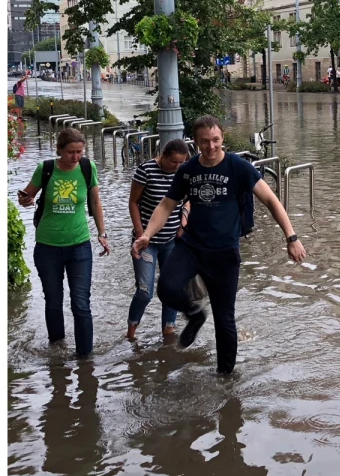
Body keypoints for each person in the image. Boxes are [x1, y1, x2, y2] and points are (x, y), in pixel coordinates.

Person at [133, 115, 307, 374]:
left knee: (225, 319)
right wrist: (147, 234)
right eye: (204, 142)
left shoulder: (238, 167)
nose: (211, 147)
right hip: (192, 247)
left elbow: (271, 200)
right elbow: (167, 204)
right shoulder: (188, 170)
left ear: (222, 137)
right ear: (196, 142)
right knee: (166, 288)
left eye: (215, 140)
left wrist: (291, 237)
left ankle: (225, 379)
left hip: (224, 253)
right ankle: (194, 315)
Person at [16, 128, 111, 358]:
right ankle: (57, 350)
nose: (76, 157)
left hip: (79, 246)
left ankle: (85, 358)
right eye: (71, 152)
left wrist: (102, 233)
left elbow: (96, 201)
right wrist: (26, 200)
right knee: (53, 301)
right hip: (47, 246)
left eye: (79, 152)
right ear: (59, 150)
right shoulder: (46, 169)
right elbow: (25, 196)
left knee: (80, 302)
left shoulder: (88, 168)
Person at [127, 138, 191, 341]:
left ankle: (168, 333)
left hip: (172, 242)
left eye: (181, 163)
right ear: (163, 157)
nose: (177, 167)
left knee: (171, 288)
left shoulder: (184, 173)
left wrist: (183, 221)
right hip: (147, 243)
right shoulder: (146, 170)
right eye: (174, 162)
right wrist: (140, 233)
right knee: (145, 291)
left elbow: (188, 201)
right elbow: (134, 202)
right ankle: (131, 333)